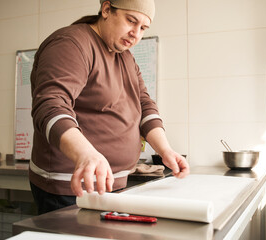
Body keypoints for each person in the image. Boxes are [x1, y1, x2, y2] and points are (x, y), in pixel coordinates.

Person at [29, 0, 189, 215]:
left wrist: (165, 150)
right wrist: (85, 154)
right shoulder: (71, 43)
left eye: (143, 28)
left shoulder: (126, 57)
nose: (135, 34)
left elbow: (144, 105)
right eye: (131, 21)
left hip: (112, 184)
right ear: (106, 9)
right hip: (71, 187)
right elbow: (51, 105)